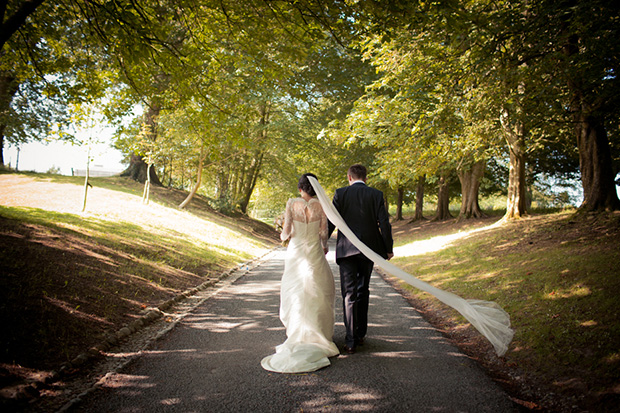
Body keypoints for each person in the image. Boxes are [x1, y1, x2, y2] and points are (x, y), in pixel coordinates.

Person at [261, 173, 340, 373]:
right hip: (314, 251)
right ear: (315, 189)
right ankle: (318, 333)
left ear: (300, 188)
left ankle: (297, 332)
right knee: (318, 290)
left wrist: (281, 231)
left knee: (295, 290)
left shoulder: (291, 203)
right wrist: (324, 246)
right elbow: (323, 233)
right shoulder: (320, 205)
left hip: (296, 252)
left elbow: (286, 233)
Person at [329, 164, 393, 354]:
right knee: (363, 289)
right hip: (368, 250)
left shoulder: (340, 194)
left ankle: (350, 341)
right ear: (365, 178)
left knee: (349, 293)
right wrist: (388, 248)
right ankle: (361, 333)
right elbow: (384, 223)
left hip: (346, 251)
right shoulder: (376, 195)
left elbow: (331, 221)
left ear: (349, 177)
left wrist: (322, 240)